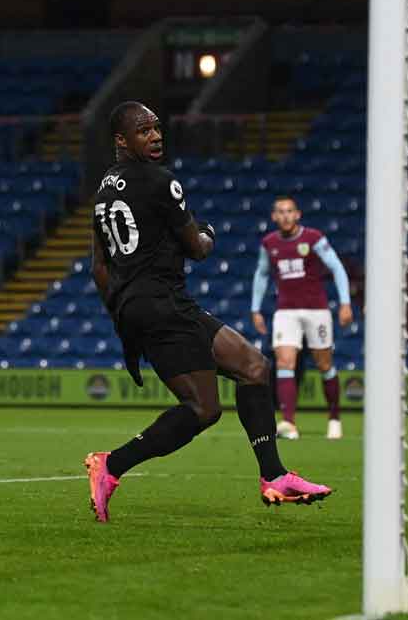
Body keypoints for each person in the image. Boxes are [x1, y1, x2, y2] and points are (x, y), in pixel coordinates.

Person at [84, 101, 332, 522]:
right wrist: (208, 234)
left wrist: (123, 317)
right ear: (121, 140)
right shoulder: (162, 182)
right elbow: (197, 249)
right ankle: (110, 466)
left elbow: (99, 268)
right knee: (203, 409)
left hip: (153, 305)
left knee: (254, 367)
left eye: (157, 127)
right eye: (143, 131)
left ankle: (273, 476)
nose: (156, 135)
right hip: (161, 305)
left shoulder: (104, 189)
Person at [251, 194, 353, 440]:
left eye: (290, 211)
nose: (285, 216)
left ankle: (334, 417)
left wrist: (345, 303)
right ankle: (288, 423)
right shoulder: (269, 243)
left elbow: (336, 267)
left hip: (316, 310)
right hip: (285, 311)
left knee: (324, 364)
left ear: (298, 215)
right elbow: (262, 274)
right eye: (280, 212)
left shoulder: (313, 238)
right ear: (274, 216)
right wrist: (255, 308)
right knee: (285, 362)